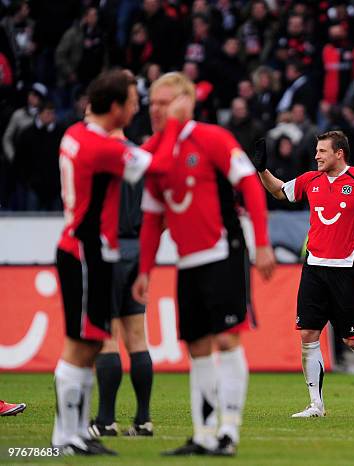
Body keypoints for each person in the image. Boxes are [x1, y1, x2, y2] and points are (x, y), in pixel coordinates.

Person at [132, 72, 275, 457]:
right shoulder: (153, 152)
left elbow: (249, 185)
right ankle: (203, 433)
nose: (155, 110)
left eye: (164, 103)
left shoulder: (211, 138)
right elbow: (151, 219)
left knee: (227, 339)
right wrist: (144, 271)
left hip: (224, 251)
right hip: (187, 262)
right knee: (196, 348)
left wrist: (261, 243)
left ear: (184, 103)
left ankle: (229, 430)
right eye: (151, 104)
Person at [52, 69, 184, 456]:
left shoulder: (76, 135)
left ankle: (79, 432)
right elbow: (158, 166)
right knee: (81, 346)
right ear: (115, 108)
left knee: (92, 344)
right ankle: (66, 436)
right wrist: (174, 122)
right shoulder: (103, 148)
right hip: (87, 253)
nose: (137, 107)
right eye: (132, 102)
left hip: (90, 250)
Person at [255, 131, 354, 418]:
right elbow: (279, 191)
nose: (317, 156)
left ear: (339, 153)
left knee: (353, 340)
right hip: (314, 268)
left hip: (345, 271)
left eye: (322, 151)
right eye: (316, 151)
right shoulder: (311, 180)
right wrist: (262, 170)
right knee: (308, 334)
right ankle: (316, 404)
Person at [88, 132, 154, 438]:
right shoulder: (139, 158)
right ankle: (142, 420)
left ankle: (105, 420)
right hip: (137, 249)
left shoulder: (101, 155)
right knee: (137, 339)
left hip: (109, 249)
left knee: (107, 337)